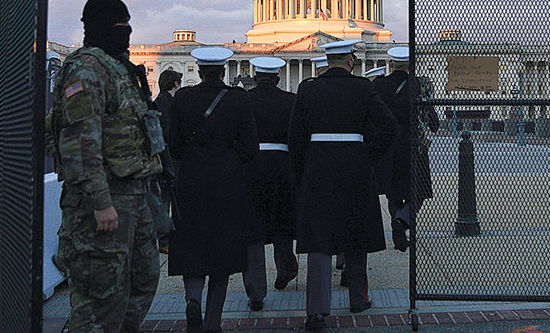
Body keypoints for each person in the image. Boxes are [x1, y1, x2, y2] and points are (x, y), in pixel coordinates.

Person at [49, 0, 164, 333]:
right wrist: (100, 203)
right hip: (104, 202)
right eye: (119, 26)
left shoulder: (118, 68)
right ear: (98, 28)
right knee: (100, 300)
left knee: (143, 283)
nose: (126, 32)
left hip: (134, 195)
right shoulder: (86, 69)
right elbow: (81, 142)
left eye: (128, 25)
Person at [289, 39, 398, 331]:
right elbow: (389, 127)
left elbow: (296, 137)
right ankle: (357, 298)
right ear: (350, 60)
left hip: (318, 169)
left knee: (318, 240)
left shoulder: (308, 89)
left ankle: (316, 310)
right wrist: (367, 153)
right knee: (357, 233)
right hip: (355, 167)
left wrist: (304, 170)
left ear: (326, 60)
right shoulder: (363, 88)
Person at [168, 47, 258, 333]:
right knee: (222, 251)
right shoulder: (238, 99)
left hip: (192, 179)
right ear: (222, 71)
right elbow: (249, 147)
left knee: (192, 244)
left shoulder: (182, 98)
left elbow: (174, 143)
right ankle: (213, 321)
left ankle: (193, 299)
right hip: (226, 181)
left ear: (199, 69)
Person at [242, 56, 299, 312]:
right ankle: (286, 266)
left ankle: (256, 290)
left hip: (252, 165)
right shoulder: (290, 100)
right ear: (277, 78)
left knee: (252, 228)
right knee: (282, 221)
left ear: (255, 77)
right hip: (283, 165)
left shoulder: (244, 101)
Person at [373, 46, 438, 252]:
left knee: (393, 192)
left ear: (391, 64)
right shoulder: (419, 85)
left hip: (388, 145)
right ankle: (402, 221)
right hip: (413, 145)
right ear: (410, 66)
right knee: (417, 190)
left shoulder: (379, 85)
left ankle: (397, 221)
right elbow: (432, 121)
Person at [151, 69, 183, 253]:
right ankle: (164, 239)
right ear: (176, 84)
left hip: (167, 158)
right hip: (167, 159)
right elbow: (166, 133)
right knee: (166, 200)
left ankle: (168, 238)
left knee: (166, 200)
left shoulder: (162, 102)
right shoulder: (165, 104)